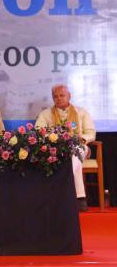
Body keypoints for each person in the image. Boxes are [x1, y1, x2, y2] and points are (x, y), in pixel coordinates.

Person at [35, 84, 96, 212]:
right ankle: (80, 198)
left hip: (79, 145)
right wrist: (53, 138)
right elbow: (38, 131)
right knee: (67, 157)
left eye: (62, 95)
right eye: (55, 96)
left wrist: (80, 138)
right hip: (55, 148)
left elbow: (91, 132)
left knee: (75, 153)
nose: (59, 98)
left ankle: (64, 194)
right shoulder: (46, 114)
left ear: (69, 96)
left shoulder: (81, 112)